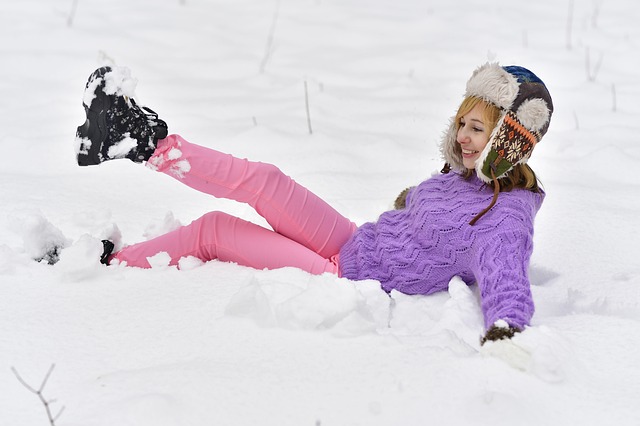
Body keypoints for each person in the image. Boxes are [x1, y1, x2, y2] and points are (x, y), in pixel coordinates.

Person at [74, 63, 553, 344]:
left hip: (345, 275)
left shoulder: (503, 219)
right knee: (265, 179)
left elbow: (506, 278)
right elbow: (430, 220)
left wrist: (507, 333)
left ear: (507, 143)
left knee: (214, 231)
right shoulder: (464, 176)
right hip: (352, 238)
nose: (464, 138)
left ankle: (113, 264)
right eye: (463, 123)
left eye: (479, 129)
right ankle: (141, 141)